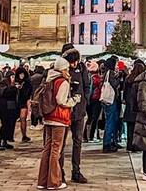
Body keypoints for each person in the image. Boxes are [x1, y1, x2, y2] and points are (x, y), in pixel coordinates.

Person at [37, 57, 80, 190]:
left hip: (48, 117)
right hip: (59, 119)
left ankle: (42, 181)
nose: (68, 71)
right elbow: (61, 101)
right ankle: (54, 182)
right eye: (67, 69)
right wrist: (74, 100)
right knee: (56, 150)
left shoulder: (50, 79)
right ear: (62, 69)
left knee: (47, 149)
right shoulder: (63, 82)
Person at [61, 45, 91, 184]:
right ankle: (59, 171)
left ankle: (76, 171)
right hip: (63, 111)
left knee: (78, 141)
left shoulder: (82, 67)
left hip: (78, 110)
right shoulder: (59, 68)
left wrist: (84, 103)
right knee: (60, 143)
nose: (74, 63)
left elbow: (86, 86)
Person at [123, 61, 146, 152]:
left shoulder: (128, 78)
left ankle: (129, 145)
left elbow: (124, 92)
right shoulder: (140, 80)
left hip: (129, 107)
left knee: (130, 128)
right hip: (137, 106)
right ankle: (136, 146)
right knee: (138, 129)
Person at [102, 56, 121, 153]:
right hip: (111, 100)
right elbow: (115, 84)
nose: (117, 65)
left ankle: (111, 142)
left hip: (108, 100)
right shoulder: (111, 73)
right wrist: (119, 78)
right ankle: (107, 143)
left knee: (111, 121)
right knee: (110, 122)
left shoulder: (106, 72)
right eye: (116, 64)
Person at [0, 71, 19, 150]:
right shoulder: (3, 83)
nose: (13, 79)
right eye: (12, 77)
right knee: (4, 125)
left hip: (10, 108)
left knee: (8, 125)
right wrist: (14, 88)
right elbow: (4, 92)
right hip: (4, 108)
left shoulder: (11, 84)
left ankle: (4, 141)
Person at [84, 61, 103, 143]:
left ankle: (86, 136)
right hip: (96, 100)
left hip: (88, 100)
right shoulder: (98, 78)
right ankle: (92, 136)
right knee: (95, 118)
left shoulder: (87, 77)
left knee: (90, 118)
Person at [14, 66, 32, 142]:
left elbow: (29, 93)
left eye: (23, 74)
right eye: (20, 74)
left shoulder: (27, 83)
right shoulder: (15, 82)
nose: (21, 76)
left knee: (23, 119)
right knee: (15, 120)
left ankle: (24, 135)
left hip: (23, 103)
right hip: (16, 103)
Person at [30, 65, 46, 130]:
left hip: (33, 95)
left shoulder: (32, 77)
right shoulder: (42, 77)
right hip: (40, 95)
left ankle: (33, 123)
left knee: (33, 109)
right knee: (39, 109)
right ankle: (40, 122)